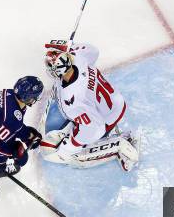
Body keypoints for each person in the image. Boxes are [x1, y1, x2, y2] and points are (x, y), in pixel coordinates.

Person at [41, 41, 139, 171]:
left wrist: (68, 148)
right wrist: (67, 46)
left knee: (77, 155)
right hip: (113, 101)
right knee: (81, 125)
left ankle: (120, 146)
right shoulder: (79, 58)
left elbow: (94, 127)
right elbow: (93, 51)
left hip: (108, 116)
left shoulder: (72, 100)